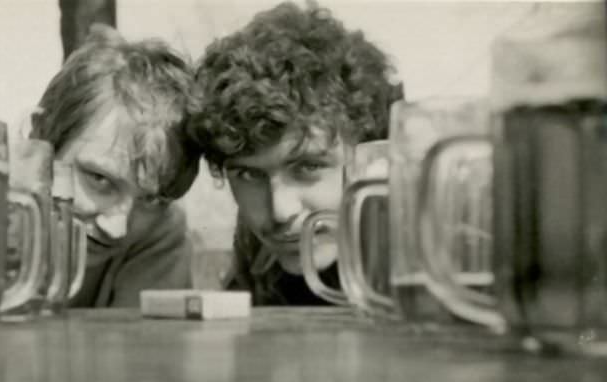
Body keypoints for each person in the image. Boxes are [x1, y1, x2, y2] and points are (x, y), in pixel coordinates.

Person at [187, 2, 403, 305]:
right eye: (250, 175)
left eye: (308, 167)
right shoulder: (258, 251)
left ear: (373, 159)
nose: (280, 211)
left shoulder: (429, 256)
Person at [29, 24, 200, 307]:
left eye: (149, 200)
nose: (117, 228)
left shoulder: (160, 232)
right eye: (99, 179)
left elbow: (140, 348)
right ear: (40, 138)